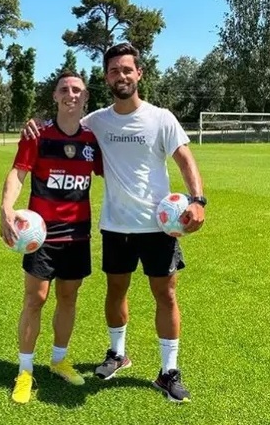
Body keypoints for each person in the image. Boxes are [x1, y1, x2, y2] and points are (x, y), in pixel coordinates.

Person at [23, 43, 206, 403]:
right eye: (113, 71)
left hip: (159, 226)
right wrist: (34, 123)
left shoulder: (161, 118)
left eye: (127, 69)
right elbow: (65, 123)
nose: (121, 75)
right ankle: (117, 353)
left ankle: (168, 371)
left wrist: (197, 200)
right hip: (116, 227)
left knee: (165, 294)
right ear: (106, 78)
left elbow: (185, 159)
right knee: (115, 291)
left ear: (139, 73)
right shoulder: (97, 121)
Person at [0, 71, 103, 404]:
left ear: (85, 98)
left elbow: (116, 171)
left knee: (69, 298)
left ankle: (59, 360)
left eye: (77, 90)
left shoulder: (92, 140)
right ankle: (25, 371)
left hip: (78, 234)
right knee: (35, 299)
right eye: (64, 90)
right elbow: (18, 173)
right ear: (55, 97)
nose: (71, 94)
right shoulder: (38, 134)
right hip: (40, 235)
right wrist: (6, 207)